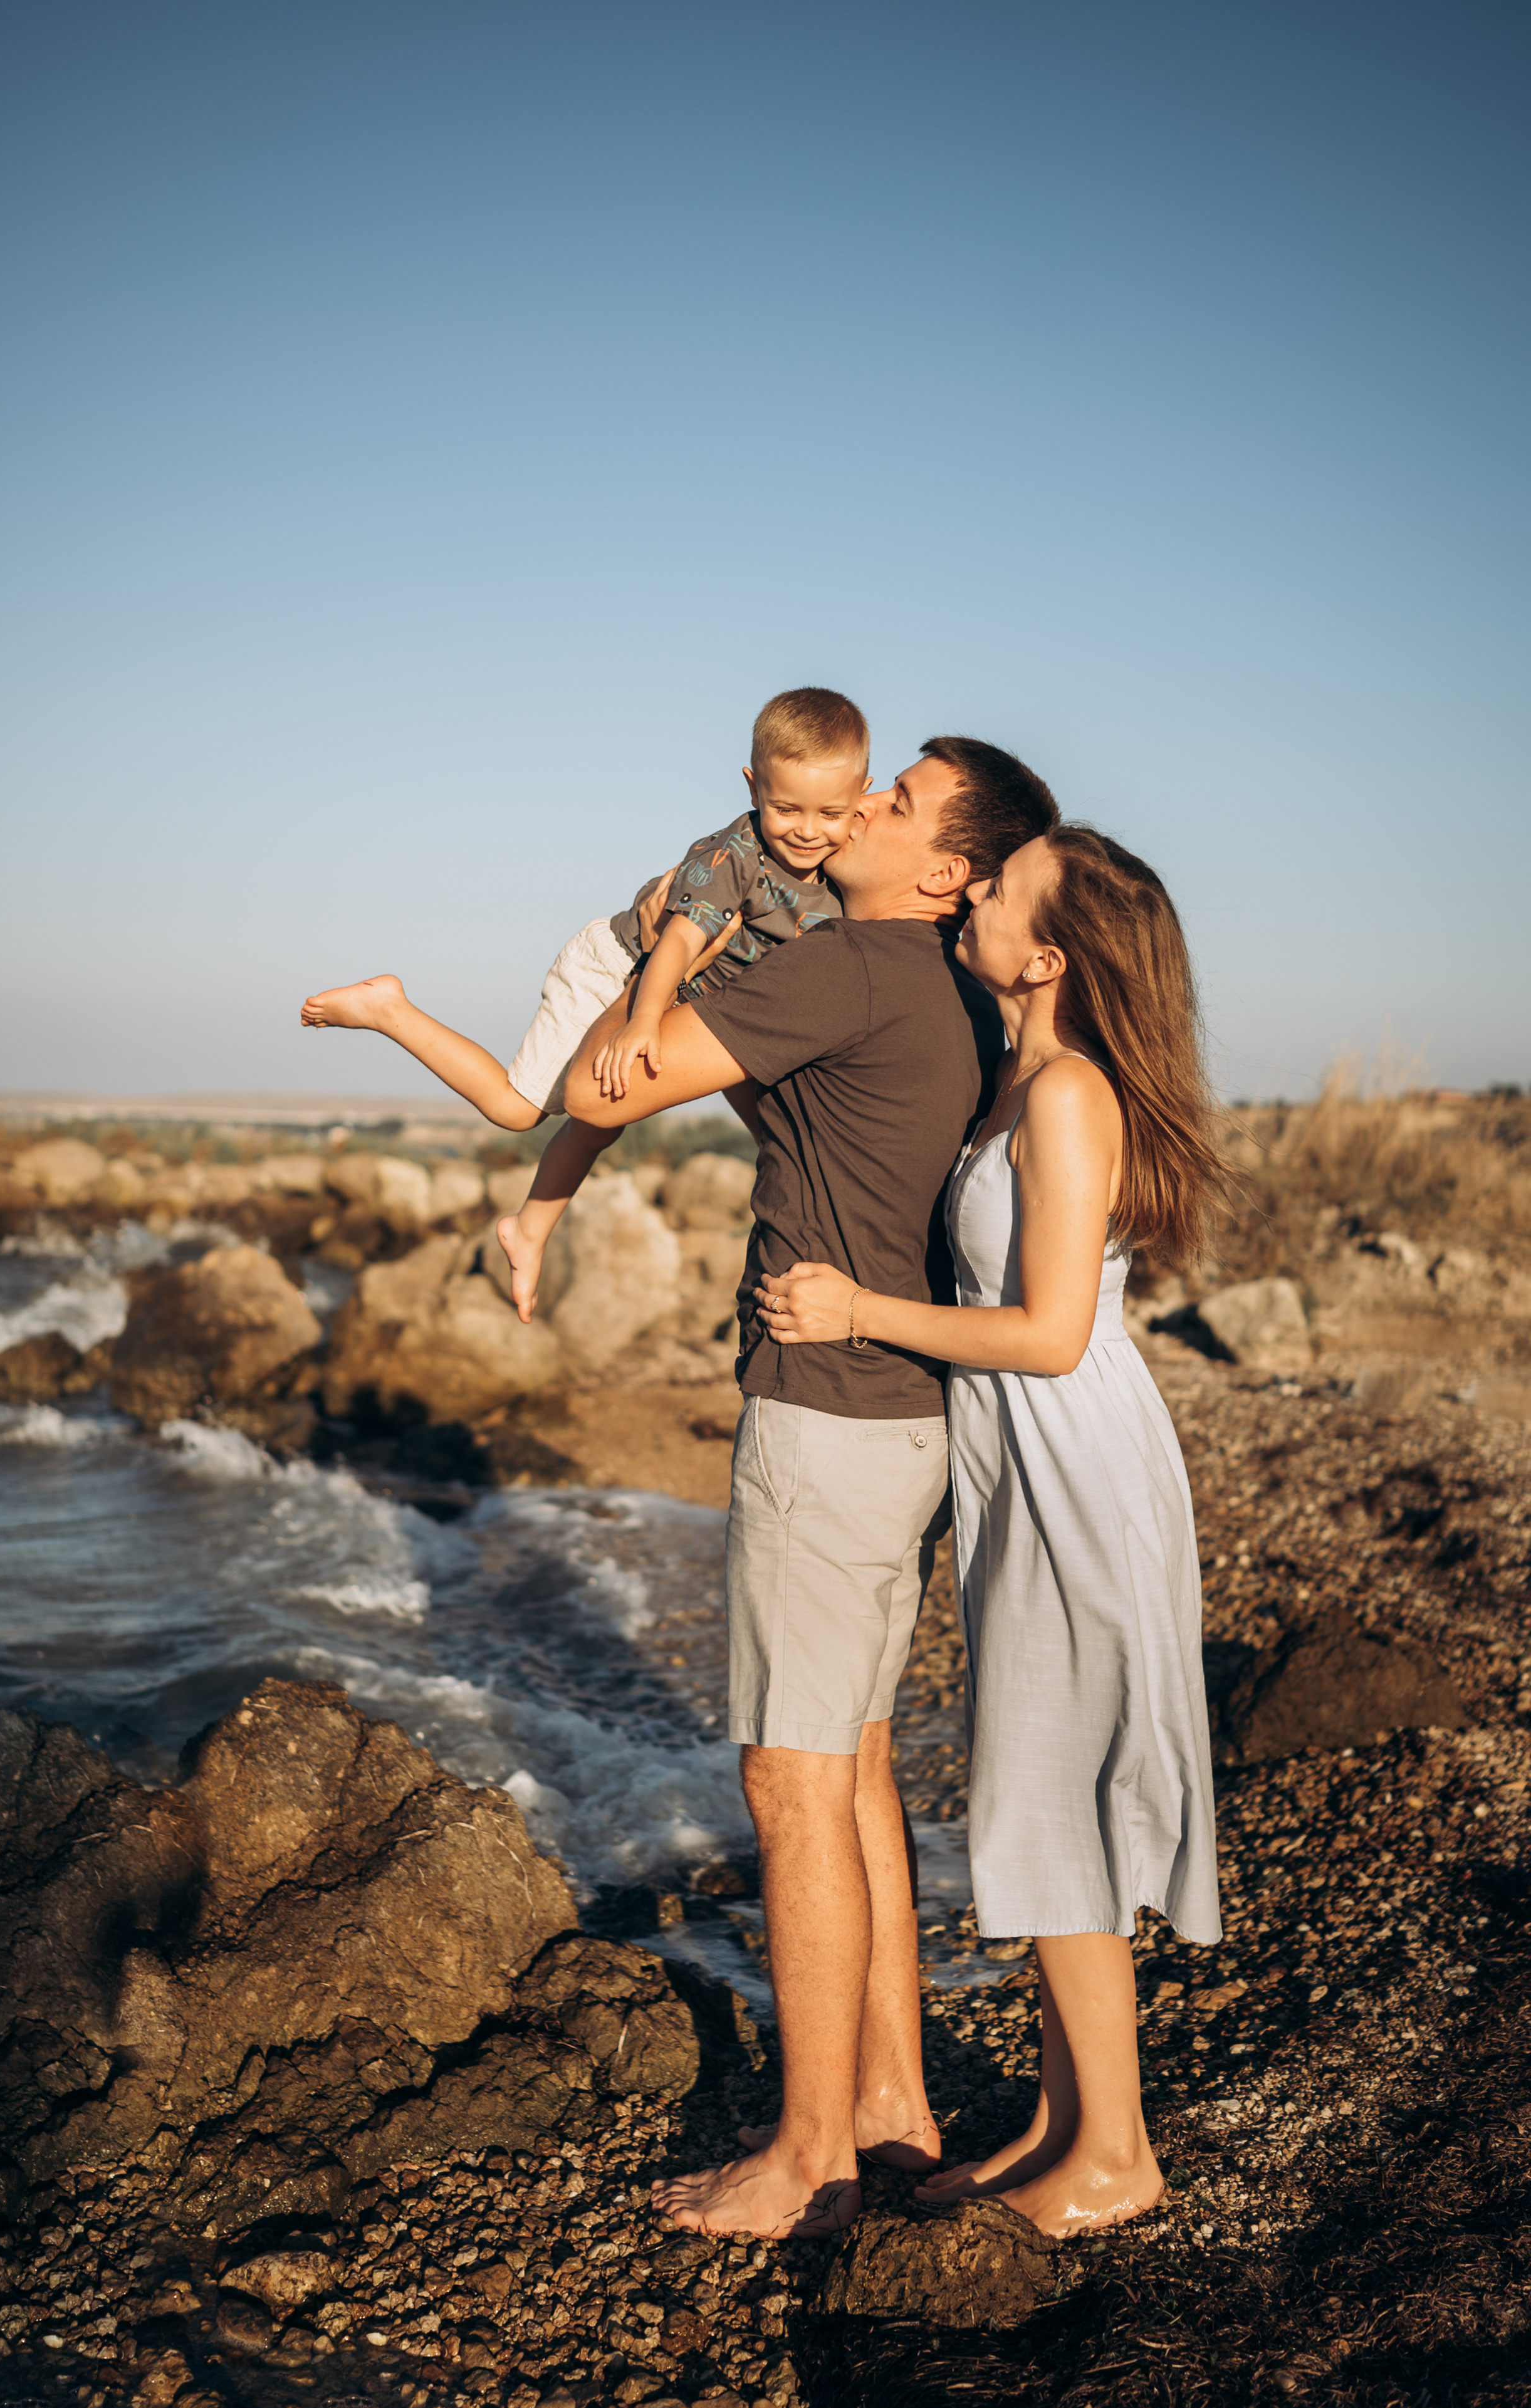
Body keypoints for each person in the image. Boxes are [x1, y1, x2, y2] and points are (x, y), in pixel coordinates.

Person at [559, 739, 1062, 2239]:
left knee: (787, 1779)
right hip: (908, 1422)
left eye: (893, 802)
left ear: (946, 872)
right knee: (847, 1763)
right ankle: (888, 2104)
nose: (857, 810)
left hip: (824, 1420)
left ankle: (802, 2163)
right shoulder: (954, 992)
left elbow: (616, 1078)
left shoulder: (853, 961)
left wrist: (651, 937)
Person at [753, 824, 1226, 2239]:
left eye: (999, 890)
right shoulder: (1018, 1069)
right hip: (1026, 1459)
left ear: (1048, 953)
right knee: (1038, 1767)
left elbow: (1047, 1328)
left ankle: (1118, 2154)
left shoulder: (1070, 1090)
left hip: (1072, 1457)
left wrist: (856, 1311)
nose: (970, 896)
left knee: (1057, 1779)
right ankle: (1062, 2119)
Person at [299, 686, 870, 1317]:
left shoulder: (844, 865)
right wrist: (642, 1019)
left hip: (693, 997)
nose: (808, 830)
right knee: (517, 1111)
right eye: (786, 808)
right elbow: (678, 942)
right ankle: (389, 1008)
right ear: (751, 786)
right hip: (622, 969)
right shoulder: (736, 854)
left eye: (830, 814)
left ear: (861, 799)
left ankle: (527, 1230)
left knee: (606, 1125)